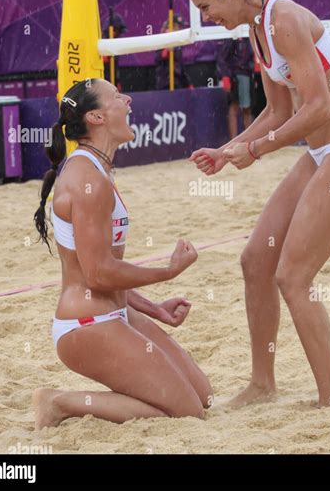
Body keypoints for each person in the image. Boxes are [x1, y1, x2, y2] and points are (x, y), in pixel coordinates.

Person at [186, 0, 330, 408]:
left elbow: (320, 108)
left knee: (293, 275)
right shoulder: (258, 31)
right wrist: (229, 149)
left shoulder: (283, 19)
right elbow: (277, 110)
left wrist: (254, 149)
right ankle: (262, 385)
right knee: (255, 260)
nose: (206, 15)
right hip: (324, 154)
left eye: (206, 5)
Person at [32, 78, 212, 428]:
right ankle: (58, 402)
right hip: (86, 323)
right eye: (116, 96)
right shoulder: (88, 178)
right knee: (189, 413)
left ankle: (108, 399)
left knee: (203, 396)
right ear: (97, 117)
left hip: (114, 313)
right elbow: (99, 273)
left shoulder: (96, 169)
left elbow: (97, 273)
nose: (127, 100)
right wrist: (168, 271)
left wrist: (153, 308)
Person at [216, 36, 254, 139]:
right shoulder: (233, 37)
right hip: (235, 75)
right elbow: (222, 58)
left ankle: (248, 139)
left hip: (247, 74)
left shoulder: (249, 36)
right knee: (234, 107)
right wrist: (225, 76)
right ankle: (235, 140)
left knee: (247, 108)